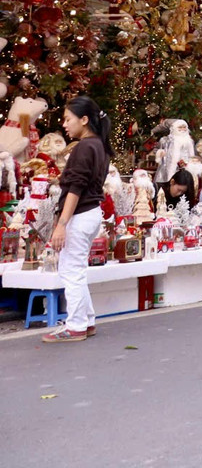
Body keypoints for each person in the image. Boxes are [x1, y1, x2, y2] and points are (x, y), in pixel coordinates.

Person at [45, 96, 112, 343]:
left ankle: (76, 326)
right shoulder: (99, 146)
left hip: (80, 214)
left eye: (67, 119)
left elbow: (75, 187)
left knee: (71, 271)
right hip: (90, 213)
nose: (64, 124)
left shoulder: (85, 147)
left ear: (84, 120)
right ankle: (87, 320)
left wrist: (61, 224)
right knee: (76, 270)